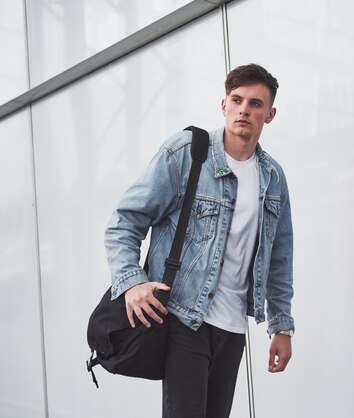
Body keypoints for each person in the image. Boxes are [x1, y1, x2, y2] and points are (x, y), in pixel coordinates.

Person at [104, 63, 294, 418]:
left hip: (233, 328)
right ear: (223, 105)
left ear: (270, 114)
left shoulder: (273, 177)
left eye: (255, 104)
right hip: (183, 319)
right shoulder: (187, 153)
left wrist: (281, 326)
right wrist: (132, 283)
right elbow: (125, 220)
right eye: (236, 100)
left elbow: (280, 256)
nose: (244, 110)